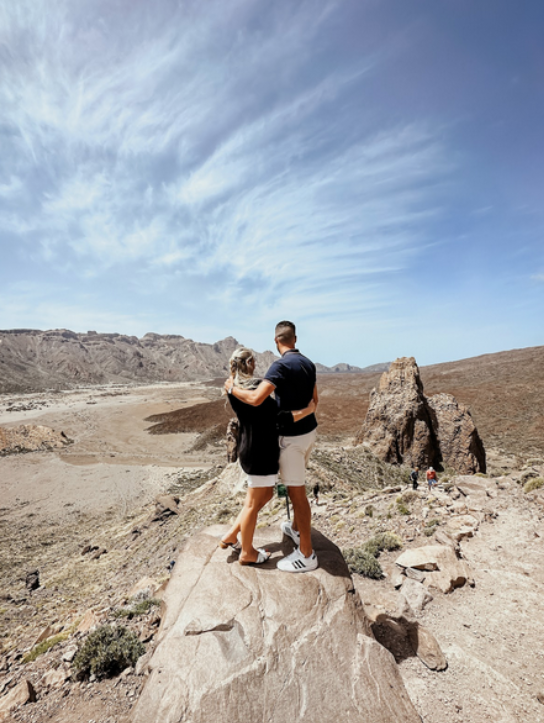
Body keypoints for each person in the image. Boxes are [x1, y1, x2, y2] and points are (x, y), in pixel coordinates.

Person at [225, 321, 318, 573]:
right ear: (294, 339)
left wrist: (232, 386)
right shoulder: (309, 364)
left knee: (277, 495)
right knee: (270, 497)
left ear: (276, 341)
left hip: (277, 443)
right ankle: (245, 543)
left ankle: (303, 549)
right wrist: (308, 410)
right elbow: (309, 402)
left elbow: (257, 402)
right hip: (301, 436)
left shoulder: (238, 389)